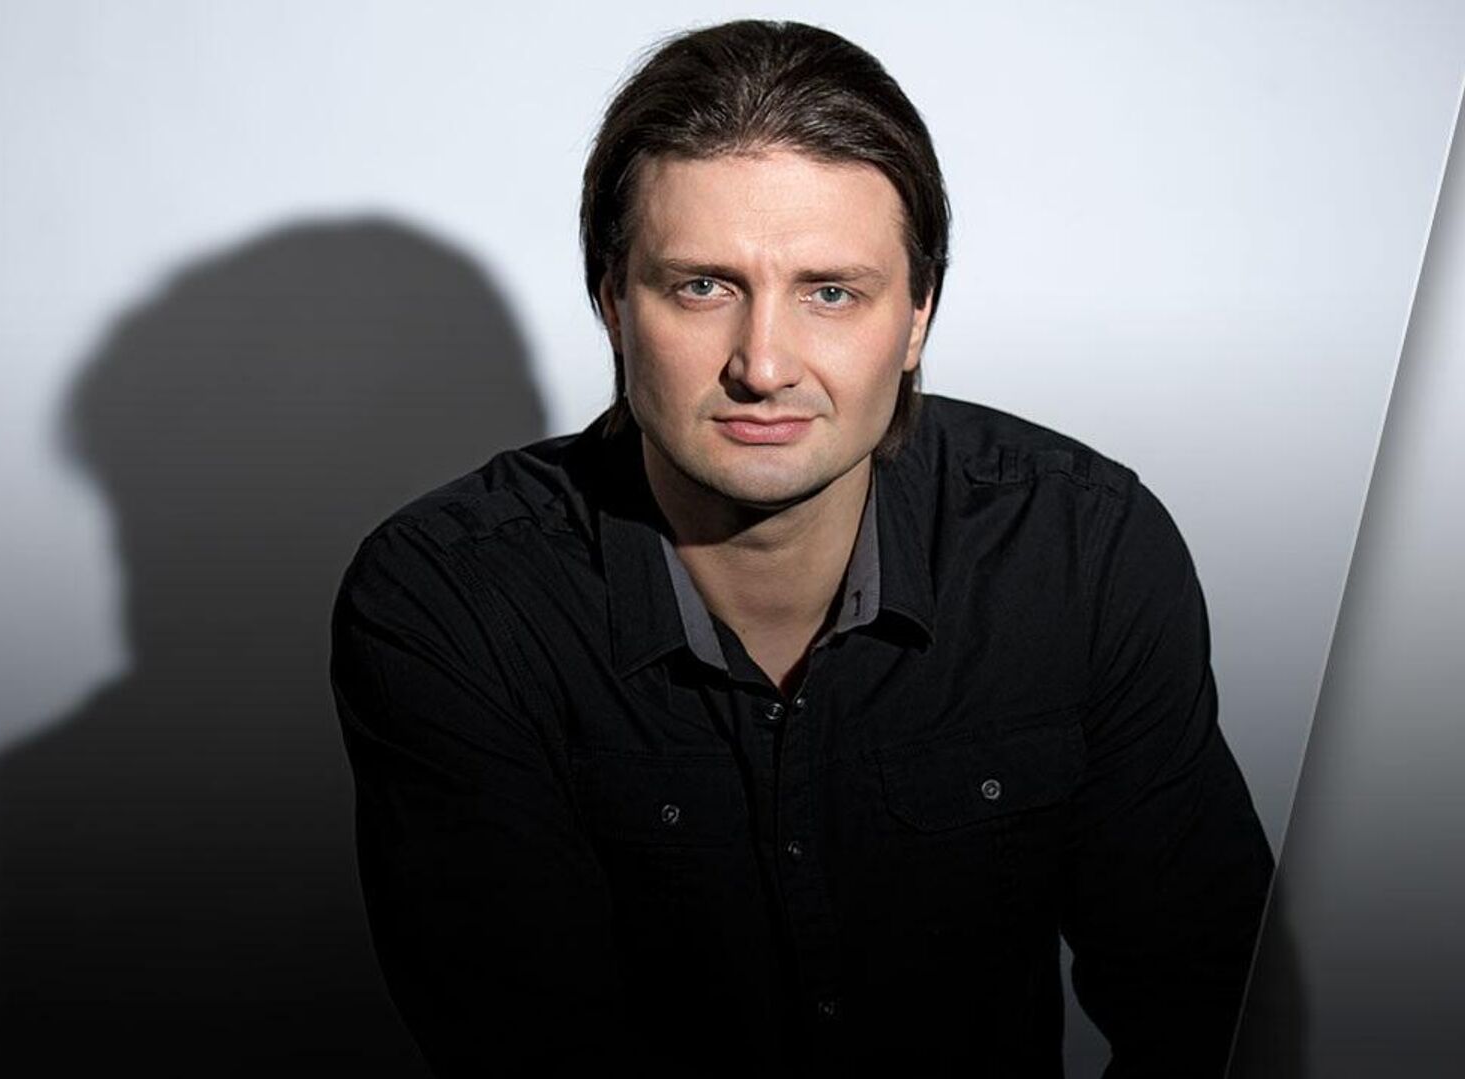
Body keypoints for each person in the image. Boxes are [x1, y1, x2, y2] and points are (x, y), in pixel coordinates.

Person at [330, 19, 1274, 1078]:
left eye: (831, 291)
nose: (764, 365)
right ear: (612, 305)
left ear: (917, 317)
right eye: (703, 286)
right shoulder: (453, 603)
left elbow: (1212, 1006)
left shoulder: (1079, 551)